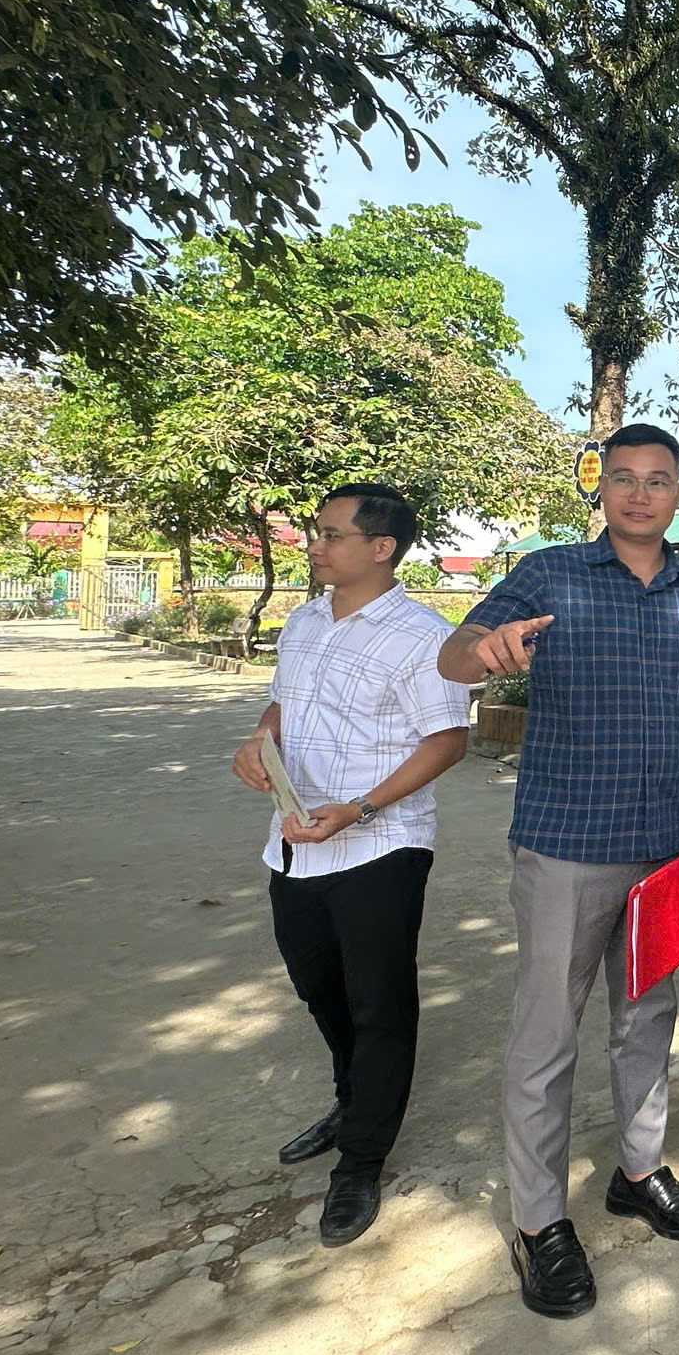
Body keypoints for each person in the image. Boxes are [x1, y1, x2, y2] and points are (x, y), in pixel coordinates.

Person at [438, 422, 679, 1320]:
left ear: (678, 493)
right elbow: (456, 651)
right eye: (624, 478)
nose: (640, 494)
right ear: (602, 489)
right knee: (547, 1035)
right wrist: (483, 654)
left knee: (648, 1018)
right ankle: (539, 1224)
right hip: (564, 843)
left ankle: (639, 1171)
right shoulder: (549, 575)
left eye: (658, 480)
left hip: (664, 846)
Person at [230, 483, 471, 1250]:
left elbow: (448, 740)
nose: (315, 544)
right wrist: (255, 741)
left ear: (381, 548)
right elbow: (282, 706)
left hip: (378, 845)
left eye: (331, 535)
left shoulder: (419, 638)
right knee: (318, 984)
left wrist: (363, 807)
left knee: (378, 1003)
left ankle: (362, 1159)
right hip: (295, 842)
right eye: (316, 532)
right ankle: (351, 1099)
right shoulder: (302, 622)